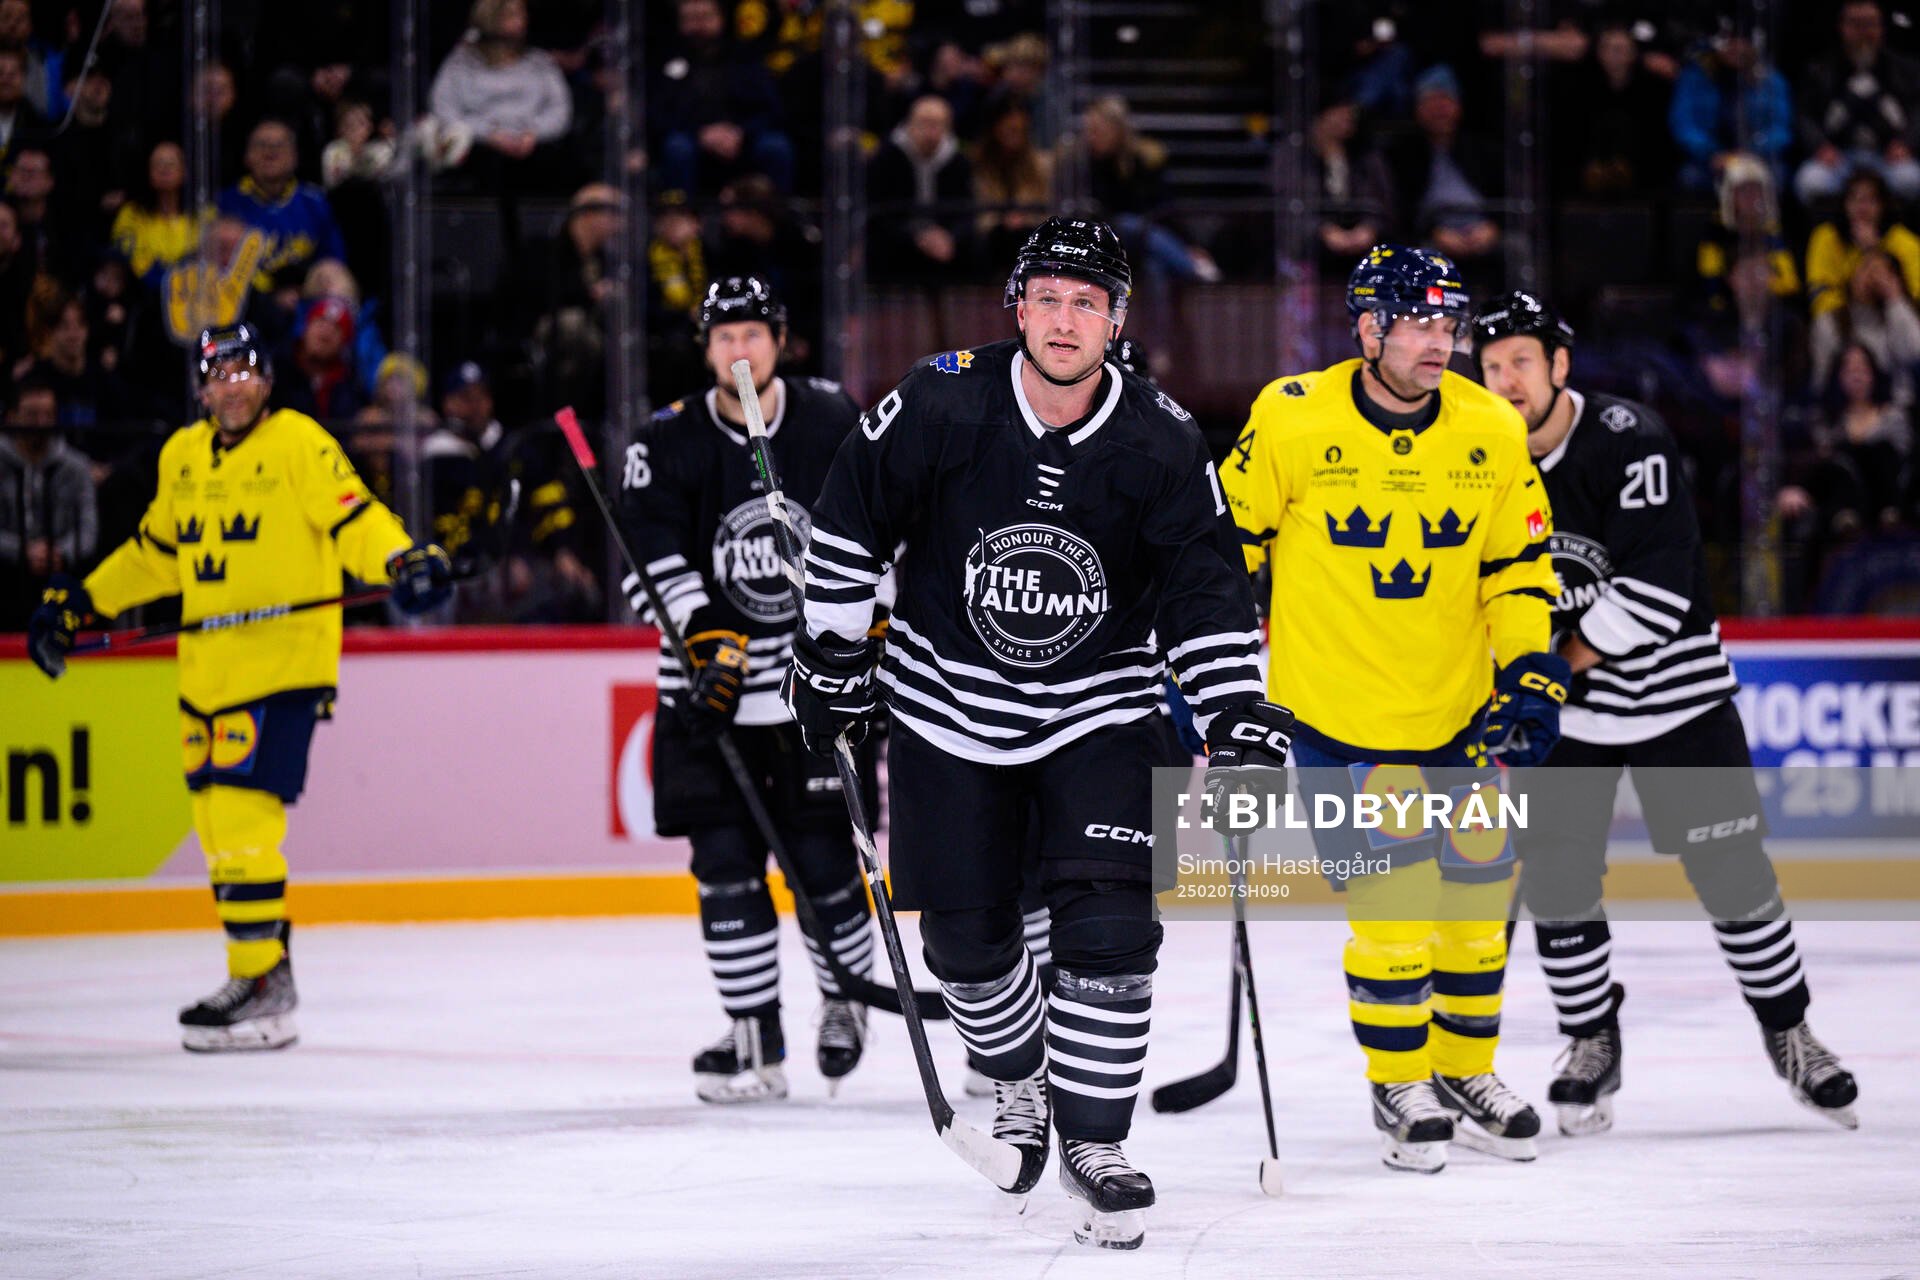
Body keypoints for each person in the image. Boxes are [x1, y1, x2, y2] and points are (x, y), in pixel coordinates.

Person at [781, 218, 1284, 1248]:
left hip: (1102, 708)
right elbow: (848, 519)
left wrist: (1231, 705)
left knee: (1110, 929)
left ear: (1116, 321)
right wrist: (832, 653)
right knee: (966, 947)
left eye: (1087, 303)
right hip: (945, 708)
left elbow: (1204, 590)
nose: (1066, 320)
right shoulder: (941, 397)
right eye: (1048, 298)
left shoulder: (1161, 438)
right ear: (1019, 307)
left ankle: (1096, 1141)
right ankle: (1018, 1080)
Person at [1471, 290, 1861, 1134]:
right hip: (1566, 719)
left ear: (1558, 366)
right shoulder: (1478, 457)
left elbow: (1656, 589)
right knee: (1560, 886)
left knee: (1735, 879)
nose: (1504, 381)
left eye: (1521, 364)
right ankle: (1590, 1041)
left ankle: (1791, 1033)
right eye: (1491, 366)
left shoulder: (1626, 438)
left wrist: (1553, 669)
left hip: (1675, 699)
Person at [1221, 245, 1564, 1173]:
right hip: (1334, 718)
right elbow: (1229, 550)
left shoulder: (1492, 427)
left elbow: (1518, 569)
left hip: (1457, 714)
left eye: (1447, 324)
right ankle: (1398, 1082)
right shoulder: (1292, 417)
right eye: (1417, 322)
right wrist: (1208, 679)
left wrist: (1531, 666)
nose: (1438, 341)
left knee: (1477, 907)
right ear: (1368, 327)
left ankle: (1465, 1071)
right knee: (1396, 905)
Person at [24, 324, 452, 1053]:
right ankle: (267, 977)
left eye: (247, 370)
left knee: (246, 823)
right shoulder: (182, 456)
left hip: (282, 667)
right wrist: (81, 602)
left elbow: (353, 520)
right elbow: (157, 555)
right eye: (220, 372)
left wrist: (400, 557)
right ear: (201, 387)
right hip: (206, 673)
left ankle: (257, 981)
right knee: (219, 830)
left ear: (266, 381)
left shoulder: (299, 443)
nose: (235, 384)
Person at [617, 276, 878, 1104]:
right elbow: (643, 554)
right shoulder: (666, 440)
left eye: (754, 334)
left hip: (813, 695)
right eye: (724, 337)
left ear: (781, 341)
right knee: (724, 869)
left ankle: (844, 1002)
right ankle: (752, 1033)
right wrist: (701, 630)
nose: (739, 350)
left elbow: (883, 526)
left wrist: (859, 626)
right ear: (706, 348)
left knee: (828, 867)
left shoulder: (835, 419)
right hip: (708, 696)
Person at [0, 374, 96, 630]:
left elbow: (88, 530)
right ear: (11, 417)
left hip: (61, 573)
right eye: (32, 415)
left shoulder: (76, 468)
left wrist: (61, 552)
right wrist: (22, 551)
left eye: (48, 415)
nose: (41, 423)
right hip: (6, 575)